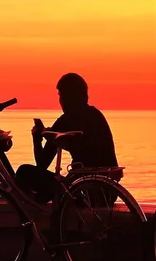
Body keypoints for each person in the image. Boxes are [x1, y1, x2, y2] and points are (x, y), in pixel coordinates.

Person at [15, 73, 122, 204]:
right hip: (108, 192)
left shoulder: (66, 120)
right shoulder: (96, 115)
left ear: (67, 97)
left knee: (24, 171)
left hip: (82, 191)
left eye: (60, 95)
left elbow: (42, 163)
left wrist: (37, 139)